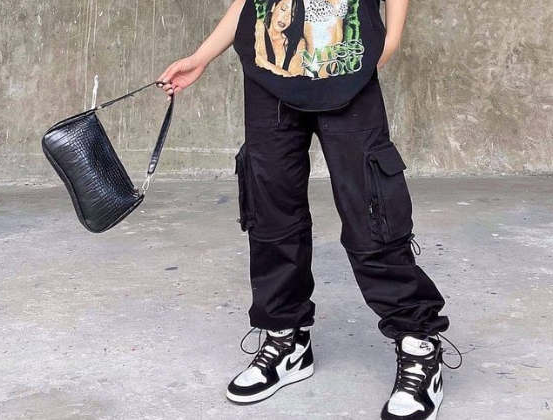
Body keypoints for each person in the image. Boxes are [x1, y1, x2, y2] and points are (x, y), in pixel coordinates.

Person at [158, 1, 459, 419]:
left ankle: (418, 342)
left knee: (371, 211)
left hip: (345, 66)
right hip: (268, 73)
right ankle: (287, 339)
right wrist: (201, 57)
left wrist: (391, 37)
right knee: (271, 211)